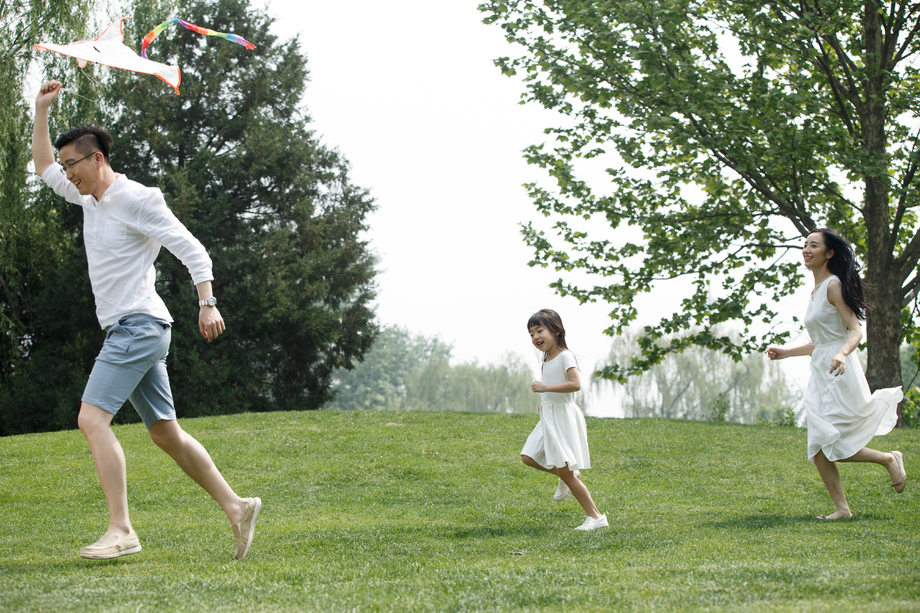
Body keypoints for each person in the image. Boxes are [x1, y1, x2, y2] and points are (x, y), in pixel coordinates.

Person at [31, 79, 261, 559]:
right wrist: (41, 110)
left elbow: (192, 249)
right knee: (164, 432)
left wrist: (207, 303)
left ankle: (122, 530)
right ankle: (237, 506)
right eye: (67, 166)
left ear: (97, 159)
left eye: (74, 164)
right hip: (133, 328)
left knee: (91, 419)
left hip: (139, 325)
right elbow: (44, 167)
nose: (67, 173)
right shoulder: (89, 199)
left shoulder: (136, 199)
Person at [767, 227, 905, 520]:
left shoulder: (832, 285)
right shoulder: (816, 290)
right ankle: (842, 509)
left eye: (814, 245)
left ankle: (888, 458)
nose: (806, 250)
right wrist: (786, 352)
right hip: (821, 370)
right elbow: (821, 342)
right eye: (805, 245)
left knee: (833, 442)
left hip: (839, 371)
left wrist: (842, 354)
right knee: (818, 445)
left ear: (829, 253)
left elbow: (855, 330)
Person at [520, 309, 607, 530]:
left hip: (562, 418)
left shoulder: (566, 356)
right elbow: (555, 387)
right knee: (528, 456)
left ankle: (596, 517)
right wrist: (545, 401)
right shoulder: (547, 359)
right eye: (531, 334)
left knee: (567, 475)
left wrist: (546, 389)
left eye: (540, 331)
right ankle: (567, 474)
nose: (535, 337)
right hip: (549, 415)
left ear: (556, 330)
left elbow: (575, 384)